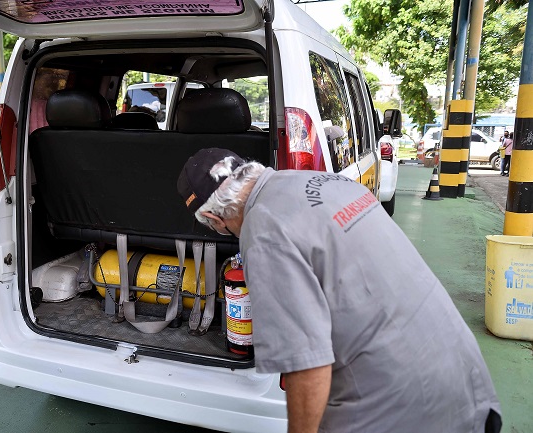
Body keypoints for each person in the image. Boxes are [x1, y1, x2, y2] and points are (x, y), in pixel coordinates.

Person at [177, 148, 502, 433]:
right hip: (465, 378)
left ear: (212, 217)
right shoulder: (325, 182)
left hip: (403, 408)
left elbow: (307, 366)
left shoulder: (264, 232)